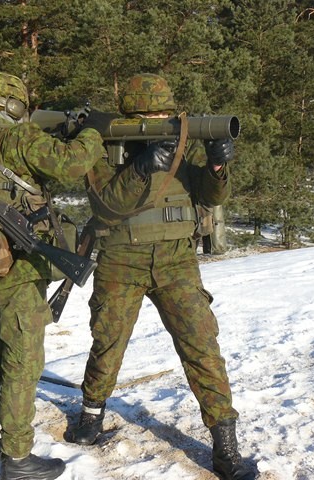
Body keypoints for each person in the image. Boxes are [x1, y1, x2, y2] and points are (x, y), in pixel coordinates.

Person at [69, 73, 255, 480]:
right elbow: (105, 206)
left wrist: (218, 165)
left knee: (201, 343)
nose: (159, 121)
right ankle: (91, 414)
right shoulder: (103, 151)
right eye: (150, 116)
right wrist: (140, 165)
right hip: (121, 259)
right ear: (132, 119)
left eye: (163, 114)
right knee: (108, 340)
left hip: (176, 261)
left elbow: (210, 196)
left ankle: (225, 442)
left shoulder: (177, 155)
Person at [0, 72, 105, 480]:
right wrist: (92, 132)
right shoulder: (14, 139)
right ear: (15, 106)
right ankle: (18, 457)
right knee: (22, 363)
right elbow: (73, 163)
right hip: (20, 271)